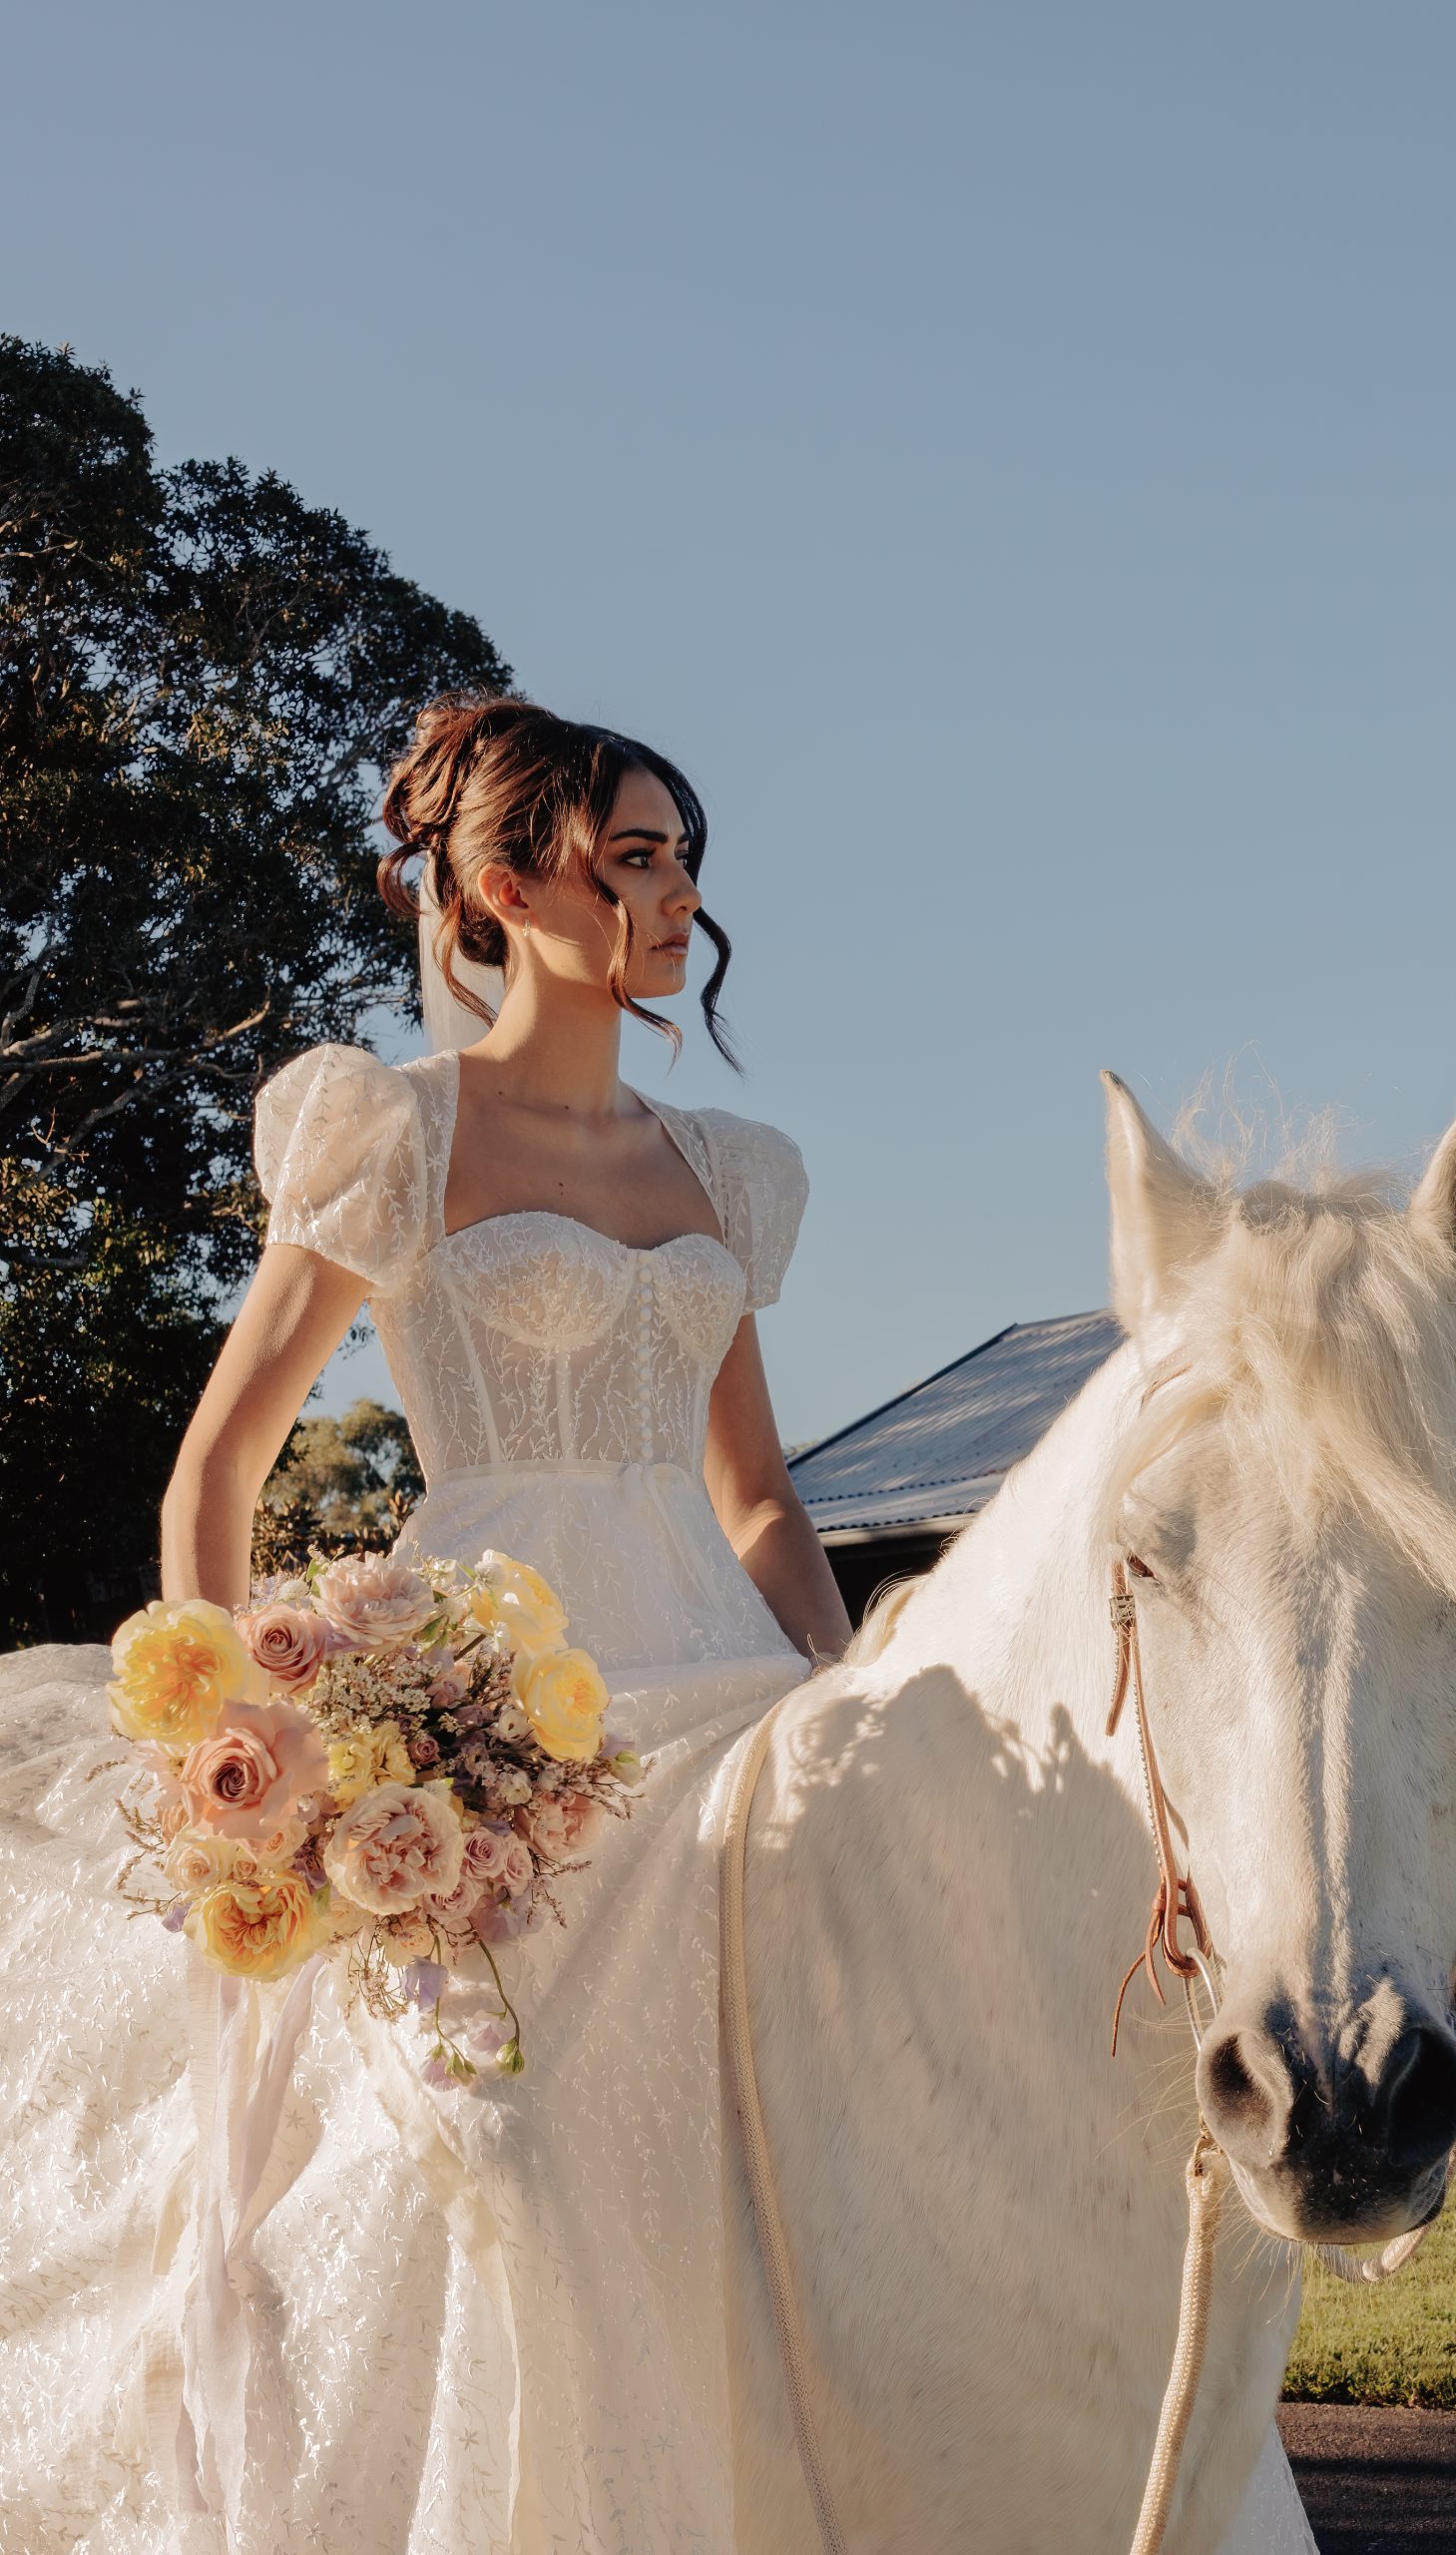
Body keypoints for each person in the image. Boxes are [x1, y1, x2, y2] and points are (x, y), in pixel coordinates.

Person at [0, 693, 851, 2553]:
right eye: (635, 856)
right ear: (503, 880)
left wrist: (852, 1689)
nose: (676, 897)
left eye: (686, 859)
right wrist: (222, 1758)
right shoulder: (385, 1132)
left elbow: (762, 1499)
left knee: (766, 2168)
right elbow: (216, 1471)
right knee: (510, 2159)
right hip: (483, 1720)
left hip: (717, 1696)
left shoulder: (728, 1173)